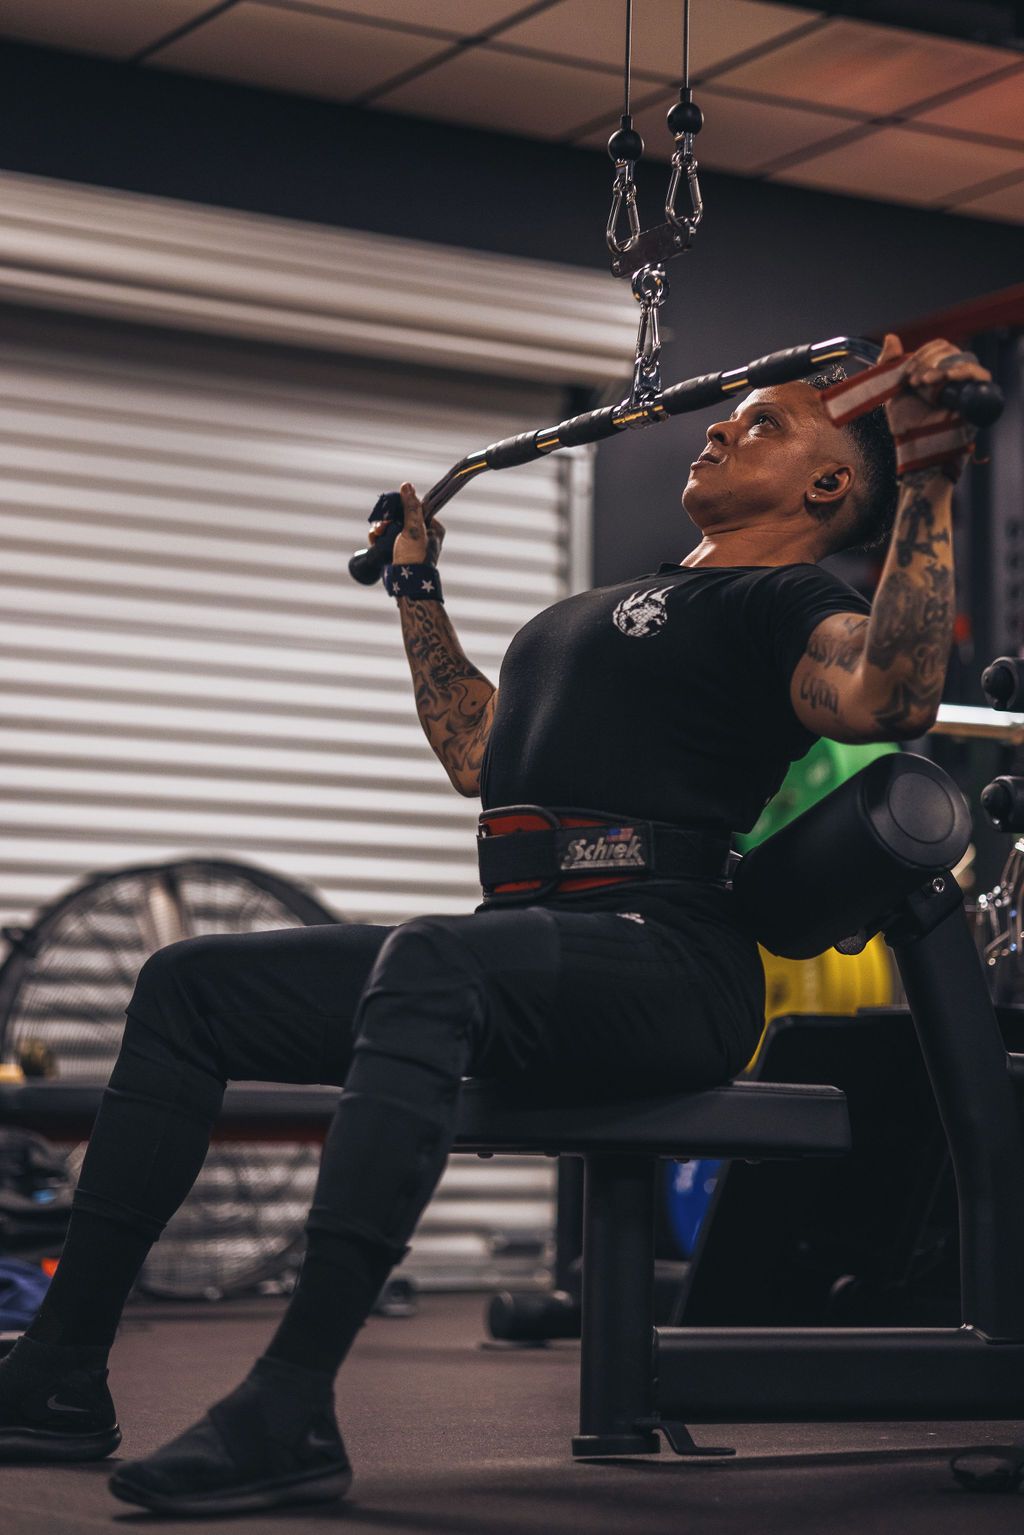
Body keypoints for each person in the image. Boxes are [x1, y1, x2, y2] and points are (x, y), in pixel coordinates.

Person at [0, 333, 990, 1514]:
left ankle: (289, 1399)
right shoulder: (594, 608)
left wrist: (928, 475)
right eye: (732, 419)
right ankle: (57, 1369)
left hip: (669, 960)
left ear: (829, 487)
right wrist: (419, 587)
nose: (720, 427)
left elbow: (892, 693)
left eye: (765, 424)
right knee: (187, 983)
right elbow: (478, 751)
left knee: (429, 958)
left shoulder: (786, 600)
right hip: (523, 947)